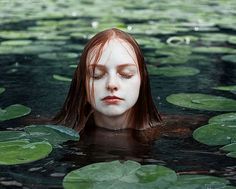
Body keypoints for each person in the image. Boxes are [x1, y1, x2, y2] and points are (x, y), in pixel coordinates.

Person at [53, 28, 162, 134]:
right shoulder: (52, 133)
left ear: (142, 82)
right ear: (83, 85)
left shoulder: (174, 133)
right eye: (97, 75)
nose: (111, 84)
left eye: (126, 74)